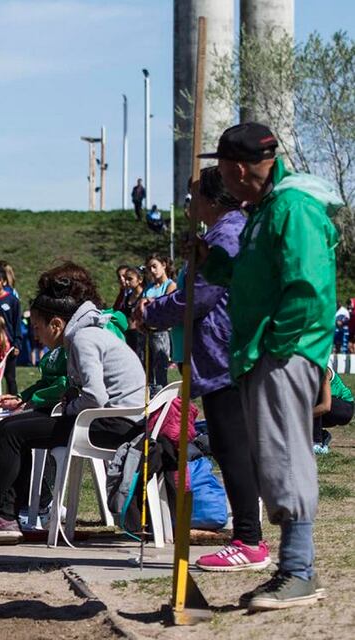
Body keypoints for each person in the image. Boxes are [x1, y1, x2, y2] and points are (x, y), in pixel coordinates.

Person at [197, 121, 341, 611]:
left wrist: (279, 346)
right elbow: (245, 272)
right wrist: (211, 260)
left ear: (237, 168)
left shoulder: (293, 208)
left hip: (282, 350)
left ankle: (299, 571)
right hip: (261, 352)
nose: (218, 178)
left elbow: (308, 288)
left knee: (285, 460)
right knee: (273, 461)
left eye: (219, 167)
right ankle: (290, 569)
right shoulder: (260, 211)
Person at [0, 262, 145, 544]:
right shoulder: (88, 332)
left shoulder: (84, 339)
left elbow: (96, 397)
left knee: (11, 432)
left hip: (113, 425)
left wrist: (70, 406)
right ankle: (3, 515)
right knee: (11, 428)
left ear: (57, 324)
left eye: (37, 328)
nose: (36, 335)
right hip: (112, 420)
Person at [139, 165, 269, 572]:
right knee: (233, 448)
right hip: (221, 358)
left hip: (226, 359)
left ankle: (249, 540)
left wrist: (152, 311)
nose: (189, 202)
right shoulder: (222, 233)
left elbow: (198, 296)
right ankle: (247, 536)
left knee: (233, 449)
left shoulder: (227, 235)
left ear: (213, 198)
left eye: (194, 195)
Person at [141, 254, 176, 395]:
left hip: (161, 332)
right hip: (146, 332)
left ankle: (163, 401)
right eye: (150, 268)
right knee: (146, 369)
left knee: (160, 369)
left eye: (154, 266)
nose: (152, 270)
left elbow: (167, 305)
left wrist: (150, 301)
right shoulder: (149, 287)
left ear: (164, 265)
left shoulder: (171, 285)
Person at [313, 365, 354, 454]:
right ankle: (322, 435)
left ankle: (316, 443)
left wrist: (301, 417)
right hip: (326, 411)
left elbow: (325, 406)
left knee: (314, 398)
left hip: (344, 408)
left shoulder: (322, 371)